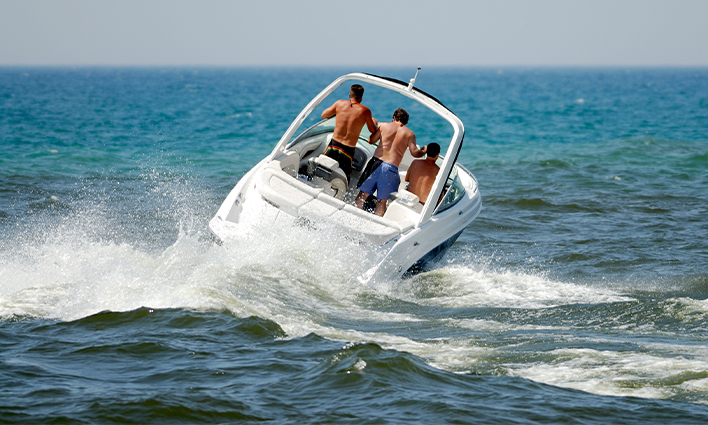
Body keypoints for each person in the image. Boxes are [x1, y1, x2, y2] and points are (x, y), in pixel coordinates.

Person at [355, 108, 426, 217]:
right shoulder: (409, 134)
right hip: (391, 168)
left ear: (394, 118)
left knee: (362, 195)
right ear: (406, 121)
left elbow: (371, 140)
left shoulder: (383, 125)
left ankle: (353, 217)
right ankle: (376, 224)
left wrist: (374, 126)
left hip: (376, 163)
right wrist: (424, 150)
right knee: (382, 201)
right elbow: (415, 153)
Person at [320, 84, 378, 181]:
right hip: (347, 149)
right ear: (361, 97)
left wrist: (338, 112)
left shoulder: (339, 104)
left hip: (333, 145)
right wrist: (374, 122)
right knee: (343, 178)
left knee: (324, 170)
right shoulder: (365, 111)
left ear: (349, 95)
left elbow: (324, 115)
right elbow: (372, 130)